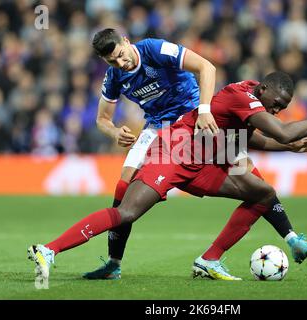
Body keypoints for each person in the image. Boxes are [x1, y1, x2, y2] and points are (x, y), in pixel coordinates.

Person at [28, 71, 307, 281]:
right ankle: (50, 250)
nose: (277, 111)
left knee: (262, 193)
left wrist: (292, 147)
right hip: (173, 152)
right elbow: (280, 133)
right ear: (265, 88)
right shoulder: (244, 98)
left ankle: (209, 260)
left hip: (201, 163)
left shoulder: (252, 101)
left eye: (282, 108)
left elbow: (259, 138)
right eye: (277, 104)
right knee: (127, 212)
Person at [84, 28, 219, 279]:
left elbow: (206, 67)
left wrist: (204, 110)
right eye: (112, 61)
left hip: (187, 118)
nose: (121, 63)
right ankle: (114, 263)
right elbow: (102, 119)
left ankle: (283, 230)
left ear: (126, 41)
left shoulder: (155, 49)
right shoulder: (114, 76)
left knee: (235, 172)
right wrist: (114, 133)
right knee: (122, 189)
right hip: (156, 125)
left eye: (121, 55)